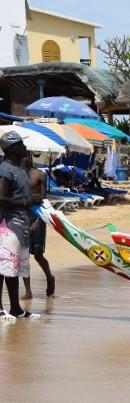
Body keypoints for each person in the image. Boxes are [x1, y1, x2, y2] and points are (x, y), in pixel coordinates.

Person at [0, 130, 40, 319]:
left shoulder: (21, 169)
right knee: (6, 266)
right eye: (20, 145)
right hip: (8, 224)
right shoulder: (5, 169)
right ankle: (2, 309)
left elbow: (23, 196)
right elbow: (1, 198)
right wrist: (26, 203)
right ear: (10, 149)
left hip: (21, 224)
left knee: (16, 267)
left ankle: (16, 309)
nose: (25, 147)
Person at [22, 153, 54, 299]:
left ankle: (49, 278)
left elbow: (44, 201)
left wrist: (38, 222)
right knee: (23, 255)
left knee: (38, 255)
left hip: (37, 217)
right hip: (21, 217)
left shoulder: (40, 175)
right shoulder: (16, 176)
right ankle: (28, 291)